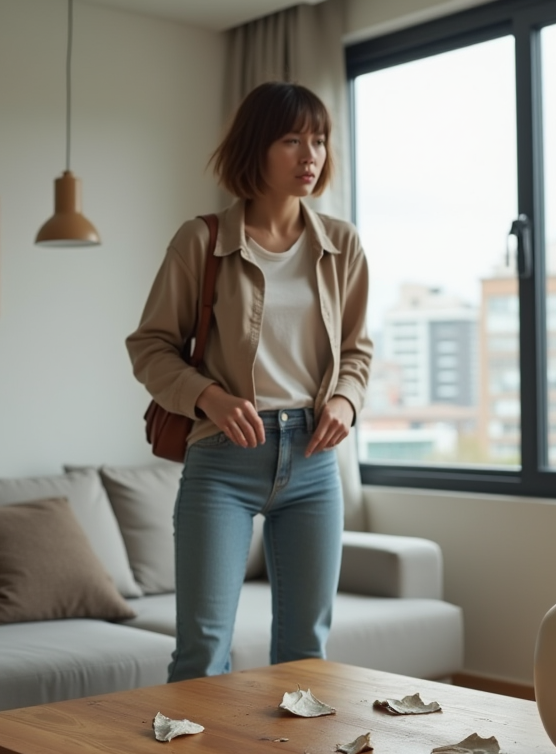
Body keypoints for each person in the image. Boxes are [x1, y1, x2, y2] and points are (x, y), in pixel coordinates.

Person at [126, 82, 373, 682]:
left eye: (319, 140)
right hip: (223, 461)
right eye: (291, 140)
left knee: (305, 652)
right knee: (202, 651)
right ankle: (188, 753)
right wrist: (207, 396)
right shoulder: (201, 240)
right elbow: (149, 347)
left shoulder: (342, 244)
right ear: (255, 148)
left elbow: (357, 349)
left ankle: (295, 748)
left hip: (314, 462)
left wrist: (346, 400)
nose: (310, 155)